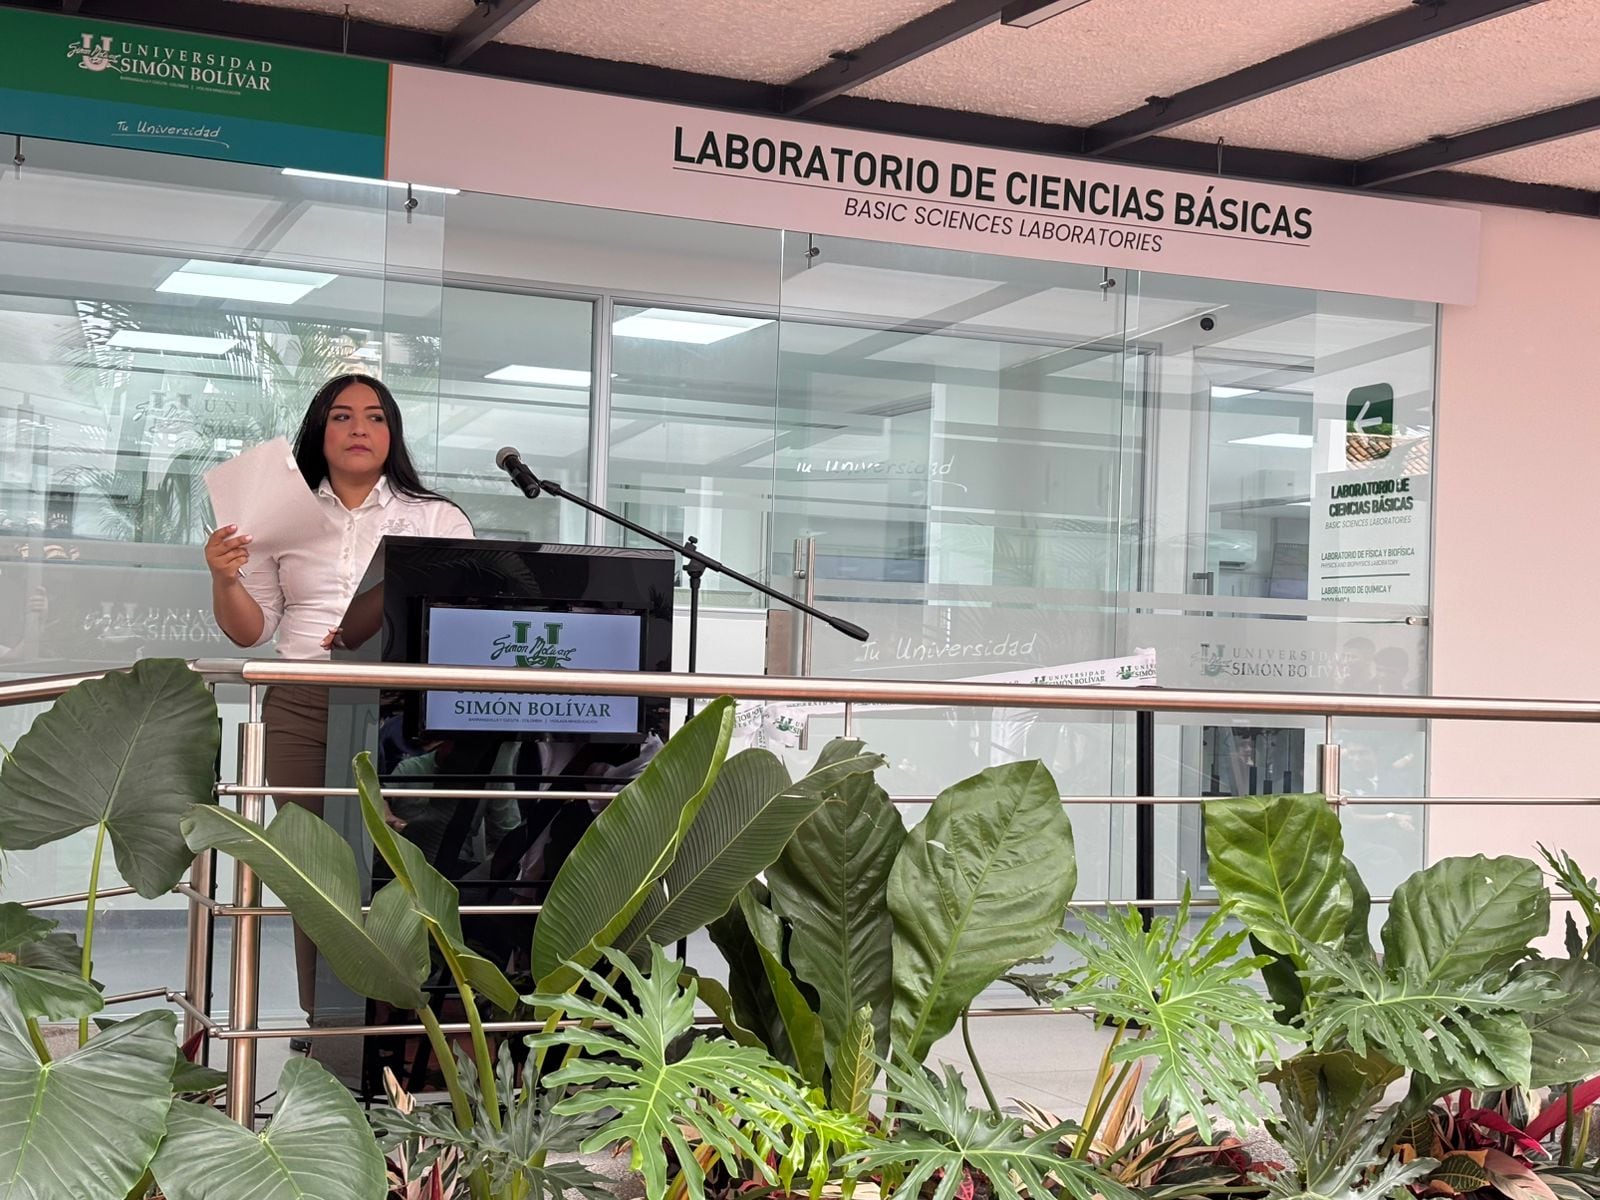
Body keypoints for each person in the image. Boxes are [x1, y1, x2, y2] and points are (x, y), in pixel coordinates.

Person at [203, 374, 473, 1037]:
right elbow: (250, 631)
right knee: (317, 878)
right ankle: (330, 1028)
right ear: (319, 432)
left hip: (403, 712)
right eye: (343, 416)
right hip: (303, 703)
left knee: (404, 873)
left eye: (375, 417)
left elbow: (463, 617)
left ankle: (408, 1032)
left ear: (392, 435)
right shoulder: (275, 517)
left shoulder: (436, 518)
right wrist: (223, 574)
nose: (359, 429)